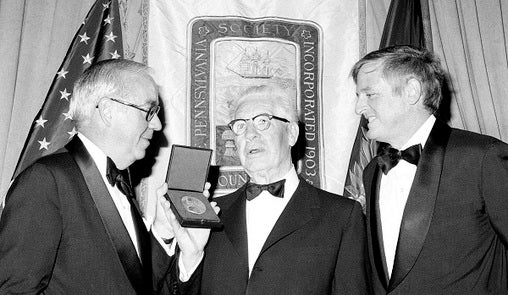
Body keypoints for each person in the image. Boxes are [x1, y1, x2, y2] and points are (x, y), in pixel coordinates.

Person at [0, 59, 212, 294]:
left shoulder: (121, 184)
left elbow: (136, 286)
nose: (158, 124)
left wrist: (166, 233)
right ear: (108, 111)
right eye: (149, 111)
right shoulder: (47, 180)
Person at [352, 45, 508, 294]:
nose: (359, 108)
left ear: (412, 91)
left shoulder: (482, 157)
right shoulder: (373, 171)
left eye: (369, 95)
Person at [196, 85, 369, 295]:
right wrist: (189, 256)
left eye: (262, 121)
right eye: (240, 126)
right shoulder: (212, 213)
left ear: (292, 133)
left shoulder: (341, 215)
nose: (250, 134)